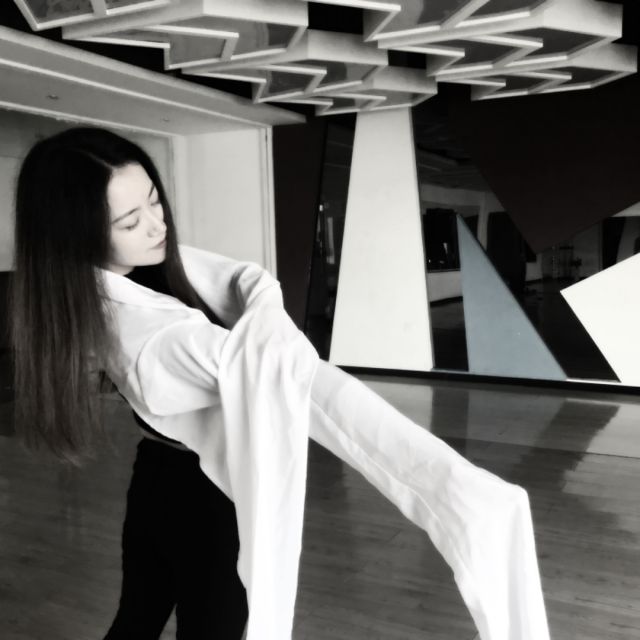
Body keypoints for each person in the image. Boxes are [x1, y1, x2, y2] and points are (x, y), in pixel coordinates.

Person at [11, 126, 551, 640]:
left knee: (137, 619)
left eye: (155, 200)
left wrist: (264, 318)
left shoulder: (129, 276)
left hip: (157, 478)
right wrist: (452, 485)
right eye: (130, 221)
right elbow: (298, 381)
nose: (158, 225)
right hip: (203, 499)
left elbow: (250, 279)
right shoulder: (147, 336)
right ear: (76, 235)